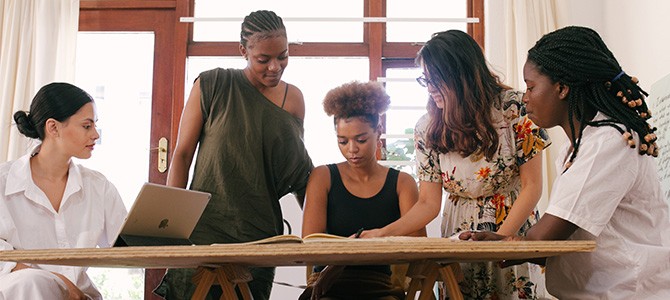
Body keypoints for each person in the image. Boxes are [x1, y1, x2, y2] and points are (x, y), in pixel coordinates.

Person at [460, 26, 670, 299]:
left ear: (561, 88)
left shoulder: (608, 142)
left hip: (629, 292)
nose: (525, 98)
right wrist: (509, 243)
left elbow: (544, 238)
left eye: (531, 87)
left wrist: (506, 244)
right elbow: (566, 243)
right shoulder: (575, 150)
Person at [359, 30, 550, 299]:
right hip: (459, 236)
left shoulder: (515, 108)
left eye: (436, 79)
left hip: (511, 226)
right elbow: (428, 203)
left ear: (462, 75)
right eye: (425, 79)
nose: (429, 88)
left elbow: (532, 187)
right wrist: (383, 234)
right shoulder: (427, 128)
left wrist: (500, 242)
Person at [153, 10, 314, 300]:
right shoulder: (212, 84)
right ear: (243, 51)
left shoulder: (294, 100)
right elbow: (182, 154)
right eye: (263, 59)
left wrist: (322, 237)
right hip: (203, 230)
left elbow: (298, 172)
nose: (275, 67)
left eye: (283, 56)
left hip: (259, 234)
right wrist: (171, 225)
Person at [0, 82, 127, 299]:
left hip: (80, 296)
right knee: (30, 282)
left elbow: (128, 247)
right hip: (19, 292)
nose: (96, 134)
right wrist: (62, 284)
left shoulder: (98, 187)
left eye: (95, 125)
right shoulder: (3, 183)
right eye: (87, 126)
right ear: (53, 127)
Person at [300, 81, 426, 300]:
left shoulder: (402, 183)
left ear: (378, 131)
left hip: (379, 286)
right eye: (342, 141)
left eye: (361, 139)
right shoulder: (323, 177)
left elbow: (417, 246)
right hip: (326, 286)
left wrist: (343, 259)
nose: (352, 149)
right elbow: (311, 244)